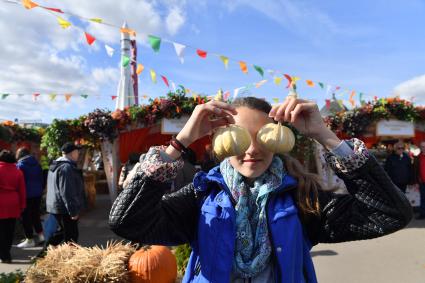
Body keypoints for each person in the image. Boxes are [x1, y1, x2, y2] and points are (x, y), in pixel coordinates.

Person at [109, 96, 412, 283]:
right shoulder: (201, 196)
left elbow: (390, 213)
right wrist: (180, 141)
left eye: (263, 137)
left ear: (277, 138)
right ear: (221, 141)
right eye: (241, 138)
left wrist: (325, 135)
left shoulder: (303, 198)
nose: (252, 150)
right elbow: (127, 221)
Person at [46, 142, 86, 244]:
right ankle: (71, 258)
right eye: (77, 152)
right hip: (64, 208)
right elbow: (67, 191)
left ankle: (44, 253)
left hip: (57, 206)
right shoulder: (66, 168)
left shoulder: (56, 165)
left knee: (61, 233)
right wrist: (73, 211)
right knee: (71, 236)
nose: (78, 154)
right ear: (72, 153)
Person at [15, 147, 45, 248]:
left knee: (26, 217)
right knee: (35, 215)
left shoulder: (20, 166)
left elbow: (18, 182)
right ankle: (41, 236)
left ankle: (30, 239)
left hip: (26, 194)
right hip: (37, 193)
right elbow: (41, 179)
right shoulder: (37, 164)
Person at [0, 150, 26, 263]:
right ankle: (6, 252)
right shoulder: (18, 171)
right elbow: (22, 190)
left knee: (1, 229)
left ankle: (4, 255)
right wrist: (22, 205)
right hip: (13, 202)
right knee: (10, 230)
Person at [413, 141, 425, 219]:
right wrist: (416, 182)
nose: (424, 148)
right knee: (423, 198)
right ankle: (422, 214)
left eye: (424, 146)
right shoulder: (417, 157)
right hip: (421, 182)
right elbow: (415, 171)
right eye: (422, 146)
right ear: (420, 147)